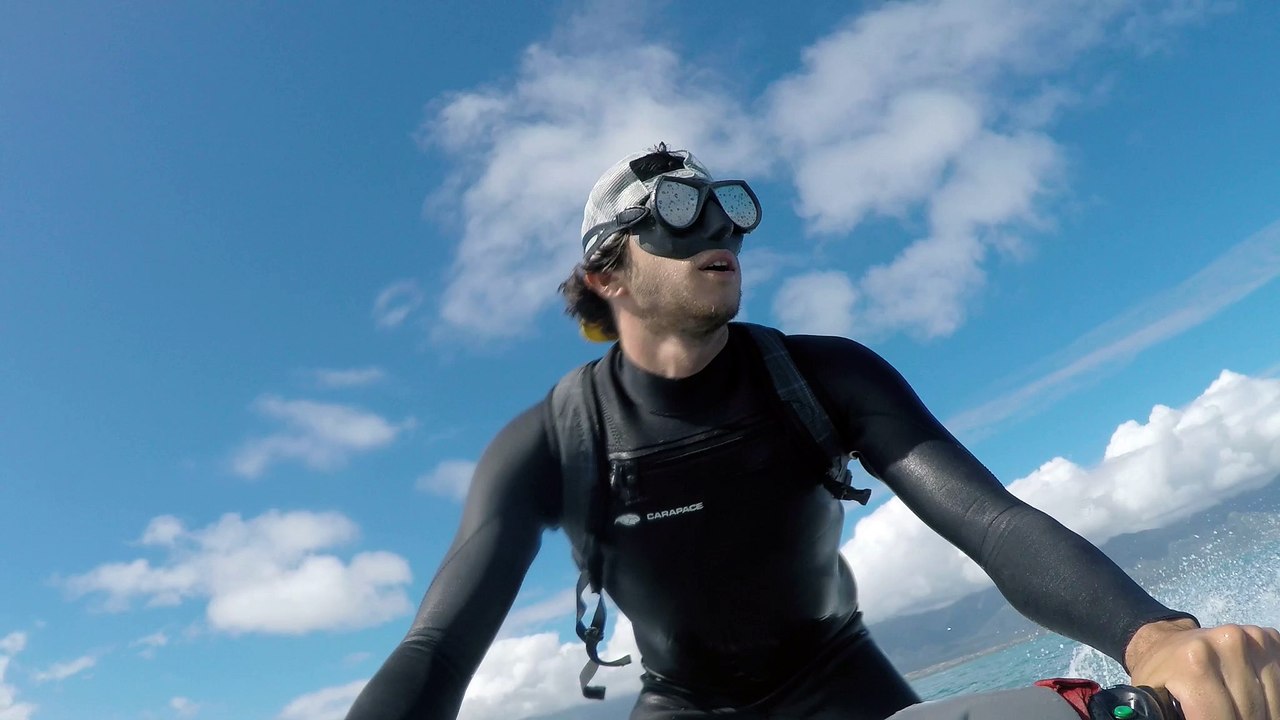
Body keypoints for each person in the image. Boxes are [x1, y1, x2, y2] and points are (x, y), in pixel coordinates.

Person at [344, 144, 1280, 720]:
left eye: (730, 208)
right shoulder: (550, 443)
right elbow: (437, 651)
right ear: (606, 275)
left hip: (842, 678)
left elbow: (991, 524)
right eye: (676, 213)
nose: (720, 227)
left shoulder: (823, 376)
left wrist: (1151, 638)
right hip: (685, 705)